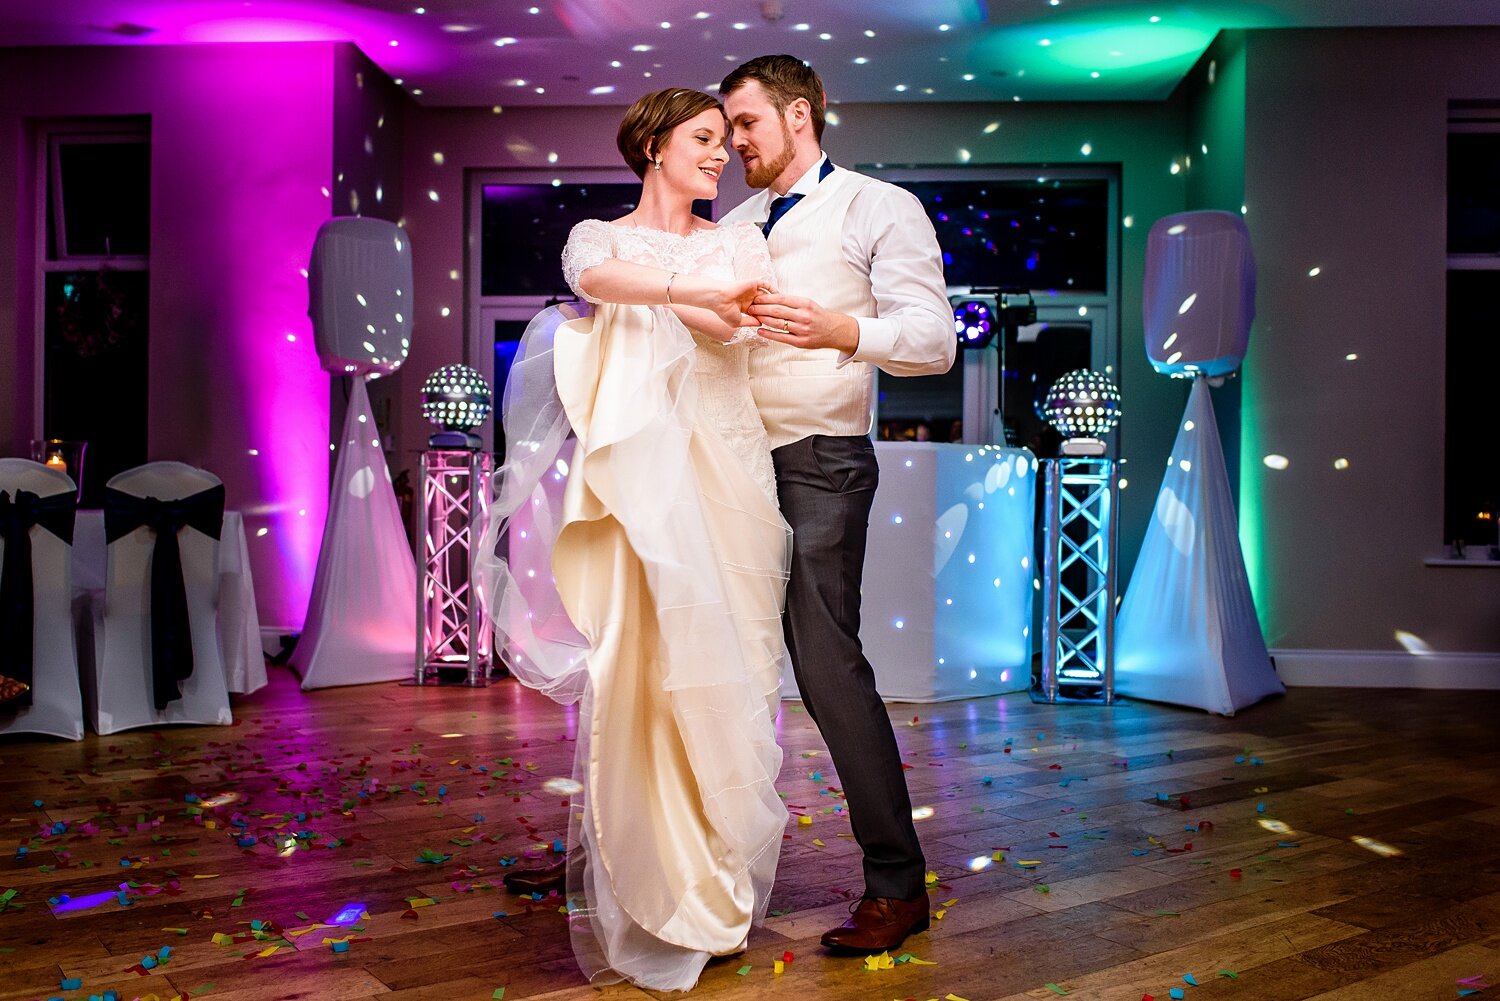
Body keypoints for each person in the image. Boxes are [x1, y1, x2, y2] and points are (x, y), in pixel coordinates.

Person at [478, 88, 791, 990]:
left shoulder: (740, 241)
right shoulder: (597, 237)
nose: (720, 156)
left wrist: (695, 294)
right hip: (637, 490)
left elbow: (733, 322)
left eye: (725, 143)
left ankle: (720, 879)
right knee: (644, 671)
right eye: (702, 139)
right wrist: (688, 289)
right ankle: (657, 881)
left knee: (735, 668)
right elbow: (598, 279)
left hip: (727, 475)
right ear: (654, 145)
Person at [718, 55, 957, 954]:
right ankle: (670, 866)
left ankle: (897, 884)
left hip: (821, 461)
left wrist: (842, 331)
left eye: (746, 123)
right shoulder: (733, 221)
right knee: (714, 662)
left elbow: (933, 341)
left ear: (801, 113)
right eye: (728, 127)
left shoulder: (875, 206)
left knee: (824, 665)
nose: (734, 142)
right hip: (730, 466)